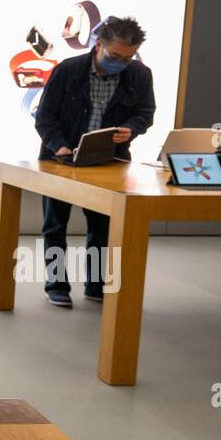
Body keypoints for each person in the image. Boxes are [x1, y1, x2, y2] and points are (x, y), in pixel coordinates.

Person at [34, 16, 155, 307]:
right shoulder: (69, 70)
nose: (120, 63)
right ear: (98, 44)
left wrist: (132, 129)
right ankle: (56, 285)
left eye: (127, 58)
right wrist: (59, 146)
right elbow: (45, 116)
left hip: (110, 162)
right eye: (114, 56)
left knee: (103, 228)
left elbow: (145, 112)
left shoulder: (140, 74)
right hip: (60, 160)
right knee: (54, 225)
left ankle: (96, 285)